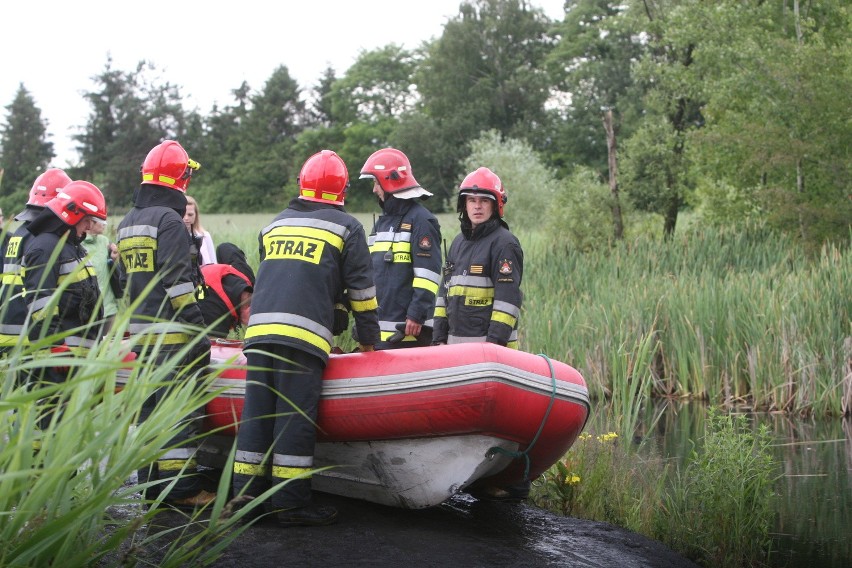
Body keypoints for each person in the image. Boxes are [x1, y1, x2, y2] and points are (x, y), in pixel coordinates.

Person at [232, 150, 380, 527]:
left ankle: (245, 499)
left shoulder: (275, 225)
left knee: (257, 417)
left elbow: (294, 277)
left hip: (261, 333)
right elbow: (362, 293)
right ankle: (289, 504)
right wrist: (368, 344)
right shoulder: (347, 227)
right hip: (302, 339)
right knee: (293, 420)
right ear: (342, 190)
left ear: (302, 184)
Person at [116, 140, 214, 508]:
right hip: (175, 335)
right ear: (181, 178)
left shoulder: (127, 222)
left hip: (144, 336)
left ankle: (152, 485)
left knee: (152, 412)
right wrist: (199, 330)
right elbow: (178, 283)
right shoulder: (170, 220)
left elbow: (125, 284)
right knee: (180, 411)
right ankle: (183, 490)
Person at [432, 167, 526, 501]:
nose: (476, 206)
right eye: (470, 200)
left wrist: (495, 348)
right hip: (456, 348)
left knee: (497, 423)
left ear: (496, 205)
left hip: (490, 351)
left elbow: (508, 300)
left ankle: (510, 482)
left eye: (483, 200)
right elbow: (444, 294)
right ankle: (470, 479)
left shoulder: (504, 243)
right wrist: (438, 339)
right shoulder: (457, 243)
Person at [21, 181, 107, 427]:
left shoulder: (70, 247)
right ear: (72, 214)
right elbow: (40, 304)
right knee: (50, 428)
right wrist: (56, 347)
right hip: (57, 363)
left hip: (75, 361)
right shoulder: (46, 247)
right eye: (86, 220)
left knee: (68, 431)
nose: (89, 227)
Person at [358, 148, 442, 349]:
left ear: (389, 182)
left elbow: (428, 275)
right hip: (382, 333)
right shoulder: (382, 224)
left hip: (409, 334)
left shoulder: (422, 221)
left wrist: (416, 315)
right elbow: (371, 274)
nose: (374, 189)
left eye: (376, 183)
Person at [1, 168, 72, 353]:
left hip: (9, 332)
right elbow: (41, 295)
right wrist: (53, 341)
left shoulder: (19, 233)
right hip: (29, 339)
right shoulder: (42, 240)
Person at [197, 242, 254, 338]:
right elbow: (214, 348)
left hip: (207, 276)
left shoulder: (247, 278)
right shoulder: (215, 311)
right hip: (202, 289)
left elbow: (224, 247)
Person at [82, 216, 122, 335]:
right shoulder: (78, 244)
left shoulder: (105, 241)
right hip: (88, 310)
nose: (104, 224)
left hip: (109, 308)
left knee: (108, 347)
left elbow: (114, 270)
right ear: (90, 222)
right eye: (100, 220)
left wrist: (115, 259)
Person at [184, 195, 217, 265]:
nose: (186, 218)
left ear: (196, 215)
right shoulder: (174, 236)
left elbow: (213, 262)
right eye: (183, 214)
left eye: (190, 215)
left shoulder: (205, 236)